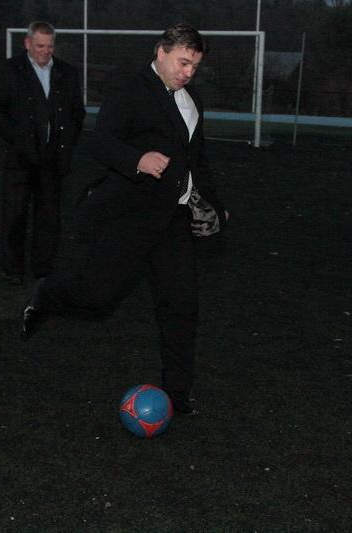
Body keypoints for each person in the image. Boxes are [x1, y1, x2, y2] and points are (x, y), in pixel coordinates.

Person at [19, 24, 228, 415]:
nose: (188, 73)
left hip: (173, 221)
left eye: (194, 67)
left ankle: (178, 395)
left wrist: (216, 204)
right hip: (130, 216)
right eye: (183, 63)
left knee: (181, 306)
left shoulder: (192, 99)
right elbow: (101, 142)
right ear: (161, 52)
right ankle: (46, 294)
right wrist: (138, 159)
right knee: (97, 296)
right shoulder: (131, 87)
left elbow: (197, 159)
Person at [0, 21, 86, 285]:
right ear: (27, 43)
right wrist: (17, 138)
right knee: (14, 215)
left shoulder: (67, 73)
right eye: (40, 46)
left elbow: (77, 112)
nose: (45, 51)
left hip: (53, 159)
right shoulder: (9, 71)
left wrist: (67, 142)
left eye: (50, 46)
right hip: (20, 159)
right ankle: (13, 270)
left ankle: (43, 269)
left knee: (49, 218)